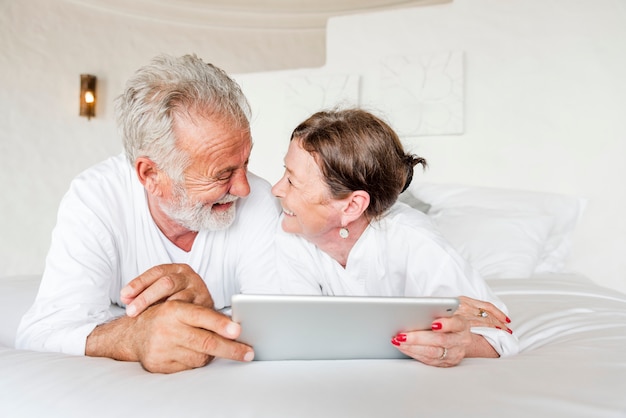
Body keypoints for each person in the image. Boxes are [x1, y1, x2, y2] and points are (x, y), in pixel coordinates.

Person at [16, 54, 281, 373]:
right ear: (151, 175)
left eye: (246, 163)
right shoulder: (96, 198)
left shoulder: (261, 200)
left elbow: (279, 328)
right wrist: (136, 336)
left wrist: (204, 317)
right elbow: (42, 334)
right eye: (222, 174)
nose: (243, 188)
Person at [271, 108, 519, 366]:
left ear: (352, 206)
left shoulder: (414, 240)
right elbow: (305, 329)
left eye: (292, 181)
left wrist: (460, 345)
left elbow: (500, 337)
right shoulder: (290, 234)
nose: (276, 189)